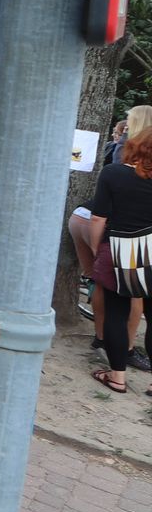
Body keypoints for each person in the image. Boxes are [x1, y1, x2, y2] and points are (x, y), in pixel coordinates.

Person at [89, 131, 152, 395]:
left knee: (116, 313)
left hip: (123, 249)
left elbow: (98, 218)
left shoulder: (113, 174)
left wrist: (97, 249)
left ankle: (117, 378)